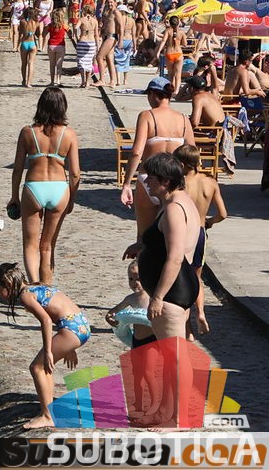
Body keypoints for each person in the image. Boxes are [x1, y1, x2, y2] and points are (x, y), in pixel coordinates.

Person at [122, 153, 201, 427]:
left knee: (175, 358)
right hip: (177, 287)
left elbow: (176, 256)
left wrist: (157, 297)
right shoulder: (177, 201)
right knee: (169, 358)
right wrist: (143, 246)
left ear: (165, 181)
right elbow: (167, 240)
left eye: (151, 178)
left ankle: (177, 417)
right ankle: (165, 411)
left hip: (172, 291)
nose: (146, 182)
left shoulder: (174, 208)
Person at [0, 261, 89, 430]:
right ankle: (49, 408)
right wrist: (69, 346)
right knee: (45, 367)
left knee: (37, 367)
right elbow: (62, 307)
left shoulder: (25, 296)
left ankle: (47, 416)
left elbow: (46, 320)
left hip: (71, 329)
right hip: (80, 325)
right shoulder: (36, 286)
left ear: (8, 284)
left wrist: (49, 350)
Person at [8, 87, 80, 285]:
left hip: (34, 187)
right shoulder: (69, 134)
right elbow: (75, 173)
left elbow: (17, 169)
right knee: (48, 246)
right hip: (59, 189)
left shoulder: (27, 132)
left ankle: (34, 285)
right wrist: (72, 199)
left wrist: (14, 196)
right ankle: (47, 288)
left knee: (30, 244)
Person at [120, 76, 196, 238]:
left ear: (153, 94)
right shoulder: (183, 119)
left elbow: (136, 152)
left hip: (149, 178)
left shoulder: (147, 116)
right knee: (172, 235)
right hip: (173, 181)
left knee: (144, 237)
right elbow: (192, 153)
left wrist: (126, 183)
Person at [173, 144, 227, 340]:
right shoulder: (210, 182)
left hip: (183, 232)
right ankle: (201, 313)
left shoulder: (179, 184)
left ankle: (187, 328)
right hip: (200, 232)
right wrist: (209, 222)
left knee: (180, 280)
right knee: (196, 277)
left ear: (182, 164)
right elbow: (223, 214)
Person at [104, 261, 159, 421]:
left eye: (138, 278)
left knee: (148, 372)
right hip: (136, 341)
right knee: (136, 375)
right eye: (131, 279)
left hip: (153, 341)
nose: (135, 283)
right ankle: (138, 404)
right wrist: (110, 318)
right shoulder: (131, 299)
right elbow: (113, 312)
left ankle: (155, 405)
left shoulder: (154, 298)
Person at [96, 0, 124, 87]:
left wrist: (121, 40)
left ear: (115, 3)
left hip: (112, 37)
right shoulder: (107, 12)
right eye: (108, 2)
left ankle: (102, 79)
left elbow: (121, 27)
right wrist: (101, 26)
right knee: (109, 59)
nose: (110, 4)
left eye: (111, 2)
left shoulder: (116, 12)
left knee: (99, 57)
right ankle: (112, 81)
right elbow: (105, 24)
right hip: (106, 36)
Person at [157, 15, 188, 97]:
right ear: (178, 23)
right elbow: (185, 44)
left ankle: (171, 90)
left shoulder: (168, 31)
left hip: (169, 53)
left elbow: (163, 41)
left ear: (170, 23)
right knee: (178, 74)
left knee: (170, 74)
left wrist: (158, 51)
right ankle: (176, 91)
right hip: (178, 54)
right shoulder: (181, 32)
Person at [46, 8, 75, 86]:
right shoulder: (64, 25)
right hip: (61, 45)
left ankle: (52, 81)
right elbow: (70, 32)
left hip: (51, 45)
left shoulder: (50, 25)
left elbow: (44, 33)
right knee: (59, 65)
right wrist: (70, 36)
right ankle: (58, 81)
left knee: (52, 64)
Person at [76, 4, 100, 88]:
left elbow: (76, 27)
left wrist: (77, 36)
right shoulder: (95, 21)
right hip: (91, 43)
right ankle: (87, 82)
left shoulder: (81, 19)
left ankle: (83, 81)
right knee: (89, 62)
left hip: (83, 41)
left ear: (84, 11)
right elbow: (96, 34)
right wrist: (97, 45)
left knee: (81, 62)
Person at [115, 5, 136, 85]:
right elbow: (134, 34)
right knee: (127, 60)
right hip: (129, 40)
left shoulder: (117, 19)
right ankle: (125, 80)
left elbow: (116, 31)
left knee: (118, 60)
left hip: (120, 40)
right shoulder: (132, 20)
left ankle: (118, 80)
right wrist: (135, 45)